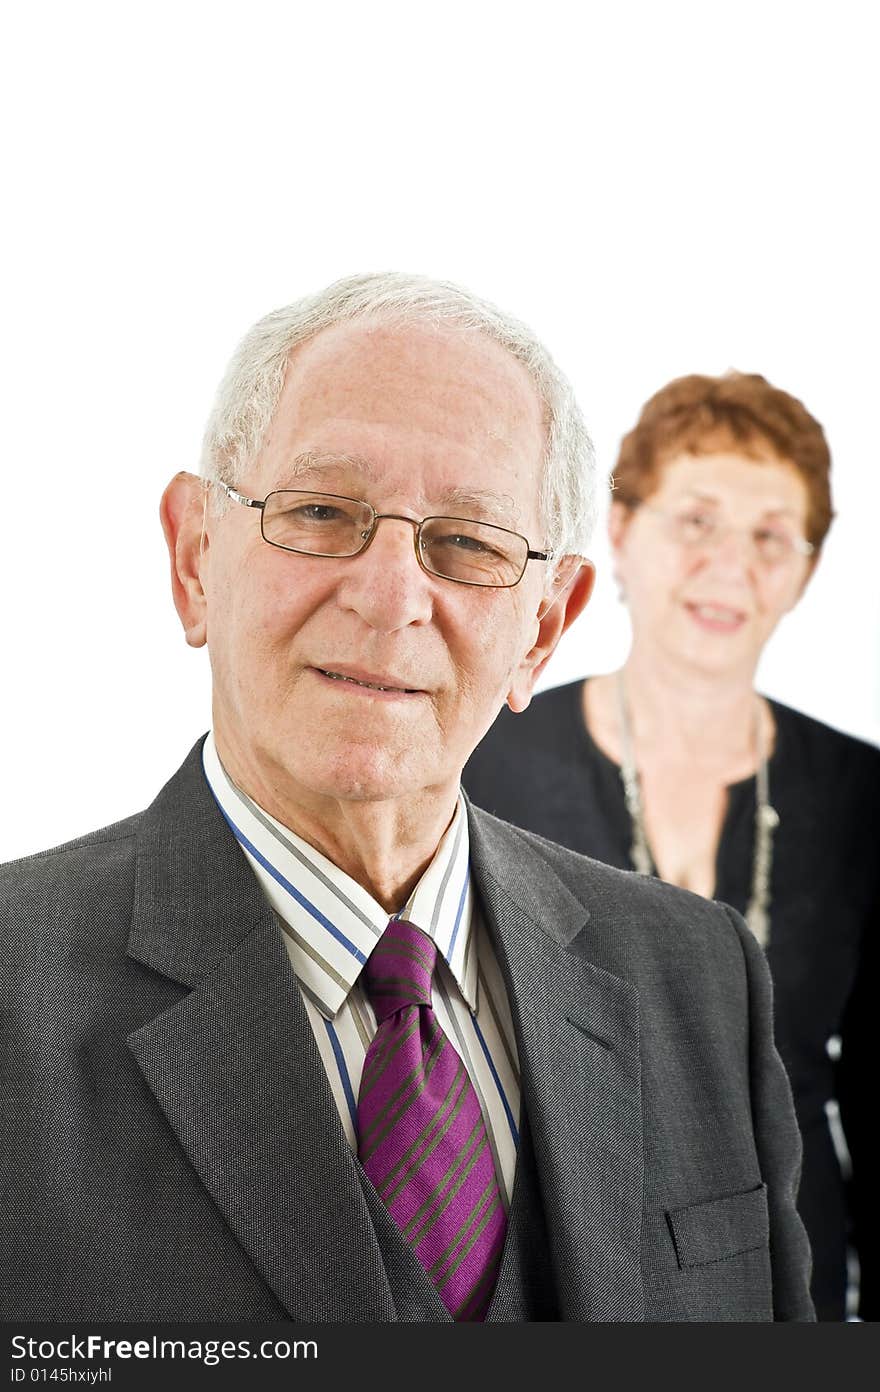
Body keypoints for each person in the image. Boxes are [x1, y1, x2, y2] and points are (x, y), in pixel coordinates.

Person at [1, 279, 813, 1323]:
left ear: (543, 627)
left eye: (467, 544)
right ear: (195, 556)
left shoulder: (699, 981)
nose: (389, 598)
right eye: (321, 513)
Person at [464, 370, 879, 1321]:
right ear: (621, 531)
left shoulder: (864, 796)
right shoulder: (483, 760)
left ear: (807, 569)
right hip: (534, 1272)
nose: (732, 566)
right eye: (697, 521)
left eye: (772, 537)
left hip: (793, 1282)